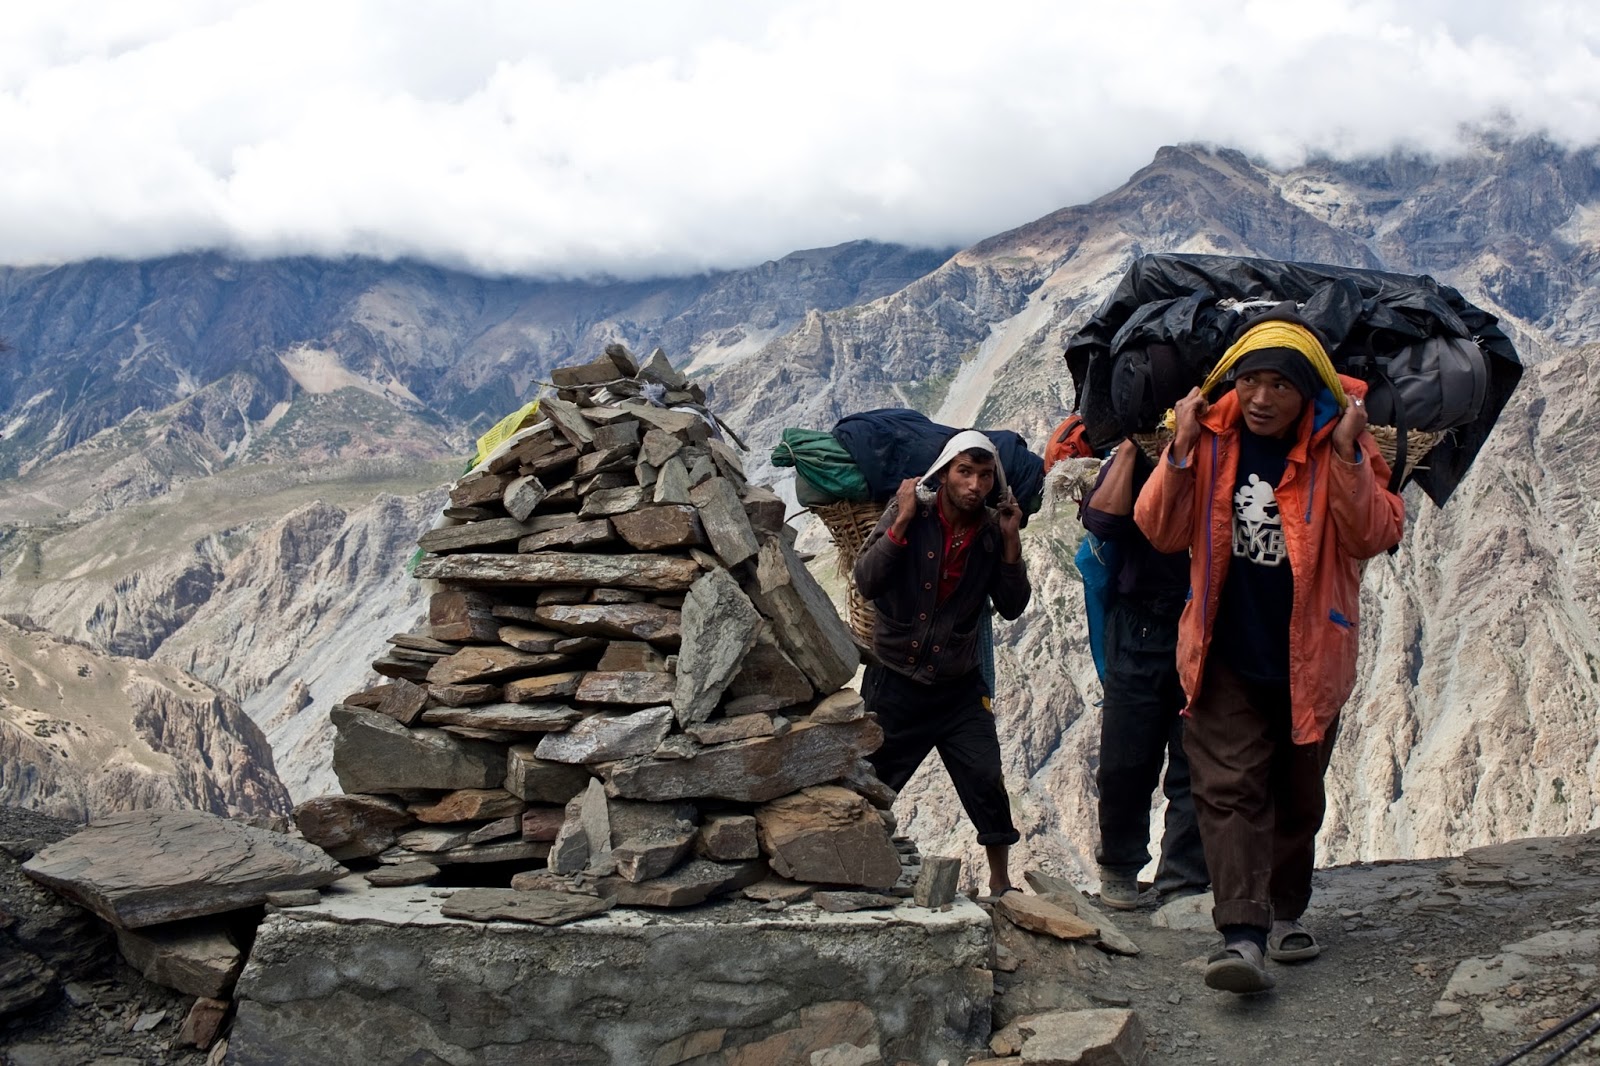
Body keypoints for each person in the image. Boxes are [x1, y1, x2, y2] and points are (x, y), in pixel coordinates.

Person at [1134, 312, 1405, 994]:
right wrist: (1181, 448)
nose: (1260, 399)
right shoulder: (1212, 437)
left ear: (1307, 391)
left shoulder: (1340, 442)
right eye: (1250, 381)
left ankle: (1285, 911)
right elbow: (1160, 530)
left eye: (1279, 386)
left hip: (1310, 654)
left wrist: (1345, 456)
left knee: (1296, 794)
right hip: (1224, 651)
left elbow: (1374, 532)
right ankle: (1242, 936)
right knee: (1227, 791)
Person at [854, 430, 1030, 898]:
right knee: (870, 781)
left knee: (985, 777)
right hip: (896, 680)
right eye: (965, 472)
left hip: (958, 687)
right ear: (945, 474)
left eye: (985, 475)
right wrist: (903, 518)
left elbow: (1012, 605)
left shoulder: (994, 534)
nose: (974, 485)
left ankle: (1000, 884)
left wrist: (1011, 543)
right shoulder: (914, 515)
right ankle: (853, 869)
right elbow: (866, 580)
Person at [1081, 439, 1209, 910]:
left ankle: (1183, 878)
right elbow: (1102, 522)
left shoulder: (1231, 453)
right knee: (1124, 758)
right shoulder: (1135, 459)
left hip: (1209, 628)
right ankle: (1119, 866)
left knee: (1196, 760)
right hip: (1141, 624)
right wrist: (1133, 449)